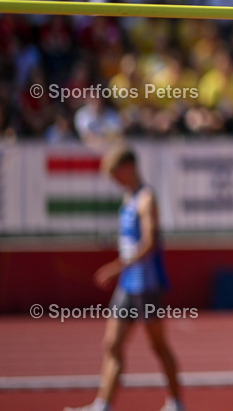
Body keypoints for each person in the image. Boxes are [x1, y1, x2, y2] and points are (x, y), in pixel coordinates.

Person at [66, 146, 183, 411]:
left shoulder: (146, 198)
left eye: (115, 174)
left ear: (128, 167)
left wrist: (118, 266)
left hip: (147, 284)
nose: (113, 180)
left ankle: (176, 402)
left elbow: (150, 241)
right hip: (128, 284)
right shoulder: (128, 198)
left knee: (158, 345)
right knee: (112, 344)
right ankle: (102, 405)